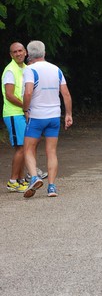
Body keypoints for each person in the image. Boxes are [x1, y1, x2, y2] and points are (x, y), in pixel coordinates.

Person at [22, 40, 73, 198]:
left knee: (28, 149)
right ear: (44, 53)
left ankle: (35, 177)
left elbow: (28, 92)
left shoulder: (30, 69)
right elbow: (65, 94)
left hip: (37, 116)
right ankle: (51, 187)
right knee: (51, 151)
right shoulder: (56, 69)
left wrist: (25, 109)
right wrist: (69, 114)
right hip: (54, 116)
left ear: (29, 55)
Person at [1, 42, 47, 193]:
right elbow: (9, 95)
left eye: (20, 51)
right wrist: (25, 106)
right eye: (15, 52)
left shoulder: (26, 69)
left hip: (24, 112)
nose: (18, 53)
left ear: (26, 52)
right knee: (21, 148)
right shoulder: (10, 70)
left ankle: (22, 179)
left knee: (28, 145)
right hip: (14, 113)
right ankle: (13, 181)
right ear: (11, 55)